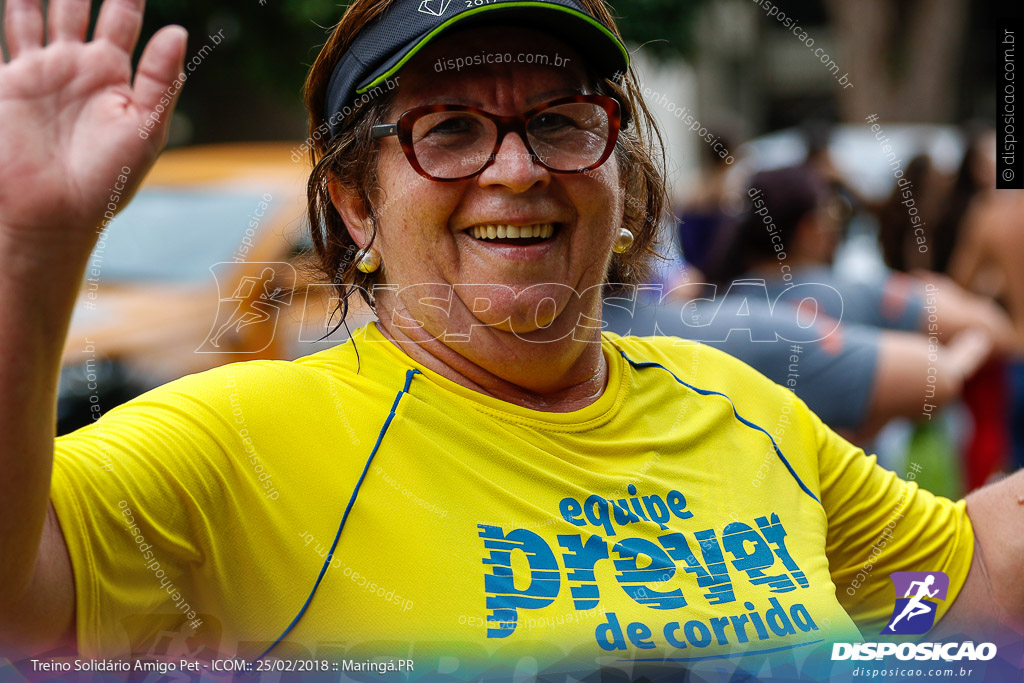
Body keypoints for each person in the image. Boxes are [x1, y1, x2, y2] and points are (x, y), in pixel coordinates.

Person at [1, 0, 1023, 680]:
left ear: (618, 174)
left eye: (561, 121)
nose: (517, 169)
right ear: (357, 204)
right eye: (446, 130)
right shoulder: (238, 437)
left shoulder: (742, 404)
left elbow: (965, 570)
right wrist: (28, 255)